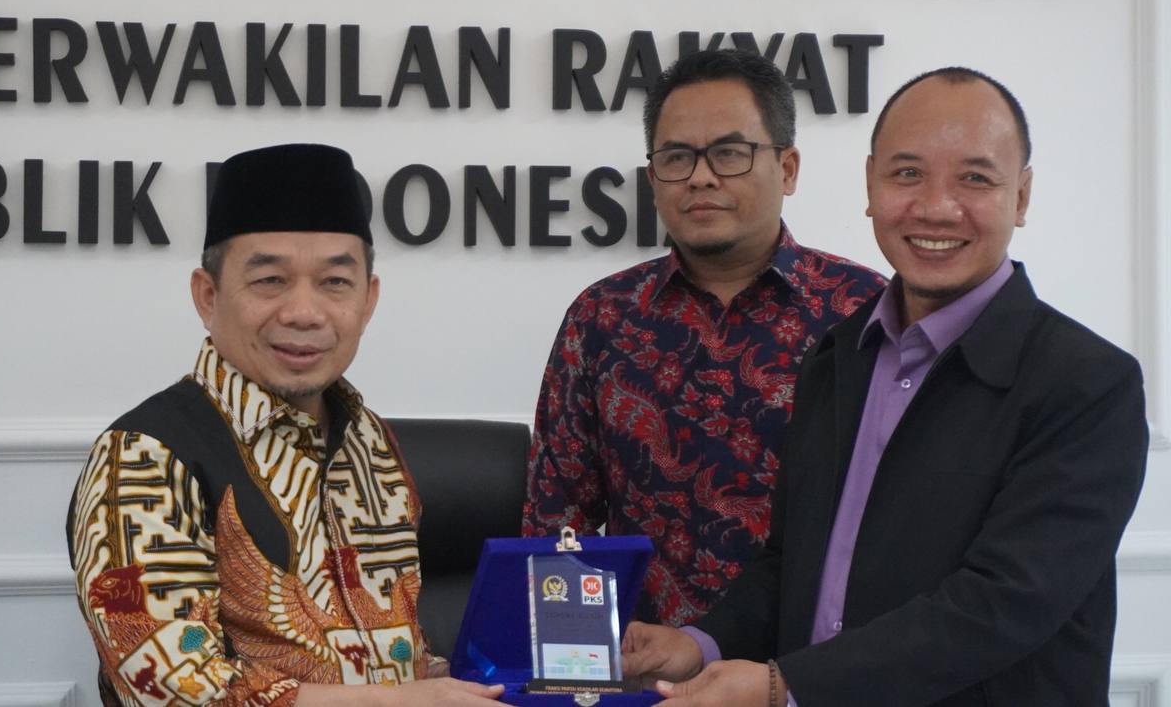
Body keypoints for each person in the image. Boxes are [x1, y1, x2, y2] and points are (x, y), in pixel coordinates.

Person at [621, 68, 1150, 706]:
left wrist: (786, 685)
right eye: (907, 173)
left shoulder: (1089, 384)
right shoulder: (837, 356)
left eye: (975, 178)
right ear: (871, 184)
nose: (936, 207)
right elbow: (792, 565)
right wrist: (700, 644)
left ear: (1021, 196)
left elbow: (1002, 604)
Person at [66, 144, 503, 707]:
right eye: (270, 280)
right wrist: (400, 702)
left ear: (368, 300)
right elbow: (173, 690)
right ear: (207, 295)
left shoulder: (370, 442)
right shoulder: (144, 455)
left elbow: (399, 659)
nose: (304, 313)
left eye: (335, 282)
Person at [522, 49, 885, 626]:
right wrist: (575, 657)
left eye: (729, 153)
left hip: (813, 661)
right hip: (643, 659)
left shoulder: (864, 310)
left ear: (788, 168)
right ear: (653, 178)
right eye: (676, 157)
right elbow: (557, 521)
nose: (700, 176)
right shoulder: (602, 318)